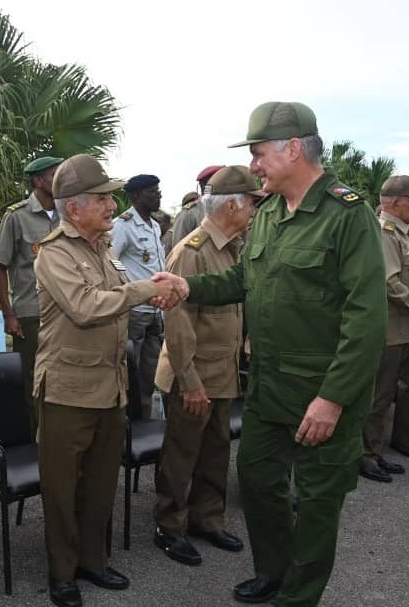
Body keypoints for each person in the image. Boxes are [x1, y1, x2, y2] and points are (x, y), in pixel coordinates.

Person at [154, 101, 387, 606]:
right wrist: (189, 286)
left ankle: (298, 596)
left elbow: (367, 320)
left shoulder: (349, 216)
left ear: (294, 149)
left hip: (321, 391)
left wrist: (333, 399)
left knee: (318, 500)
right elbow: (244, 279)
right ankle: (273, 571)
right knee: (258, 479)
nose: (253, 165)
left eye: (259, 153)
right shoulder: (270, 215)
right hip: (268, 387)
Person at [34, 154, 176, 607]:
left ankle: (92, 560)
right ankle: (62, 573)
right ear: (74, 208)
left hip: (110, 387)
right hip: (67, 391)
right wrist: (147, 289)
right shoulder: (55, 253)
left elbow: (113, 299)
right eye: (102, 199)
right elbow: (86, 306)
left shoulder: (104, 249)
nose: (113, 206)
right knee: (62, 489)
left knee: (100, 484)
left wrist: (149, 292)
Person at [152, 166, 257, 566]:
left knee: (215, 451)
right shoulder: (191, 251)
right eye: (251, 204)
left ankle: (206, 520)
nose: (254, 212)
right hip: (192, 373)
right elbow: (177, 324)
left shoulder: (234, 248)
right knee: (182, 455)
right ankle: (169, 527)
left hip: (222, 370)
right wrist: (190, 382)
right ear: (232, 205)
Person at [361, 175, 409, 483]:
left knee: (388, 392)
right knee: (379, 396)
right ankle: (365, 455)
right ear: (392, 202)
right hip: (389, 330)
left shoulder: (401, 232)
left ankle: (374, 450)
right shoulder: (386, 232)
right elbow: (389, 282)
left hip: (403, 329)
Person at [0, 156, 63, 436]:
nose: (60, 180)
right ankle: (37, 440)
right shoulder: (17, 216)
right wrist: (9, 314)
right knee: (33, 379)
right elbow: (0, 266)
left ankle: (59, 436)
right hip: (31, 312)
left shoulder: (67, 213)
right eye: (54, 176)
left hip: (66, 311)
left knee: (61, 377)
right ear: (38, 181)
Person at [111, 174, 167, 417]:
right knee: (130, 370)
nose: (158, 196)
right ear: (136, 196)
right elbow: (111, 261)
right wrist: (127, 285)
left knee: (151, 370)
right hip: (135, 311)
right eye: (152, 192)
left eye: (158, 191)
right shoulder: (123, 225)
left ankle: (146, 416)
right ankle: (131, 419)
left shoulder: (154, 226)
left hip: (155, 310)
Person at [170, 165, 224, 245]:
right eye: (221, 182)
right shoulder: (189, 214)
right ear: (204, 186)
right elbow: (179, 248)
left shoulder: (230, 210)